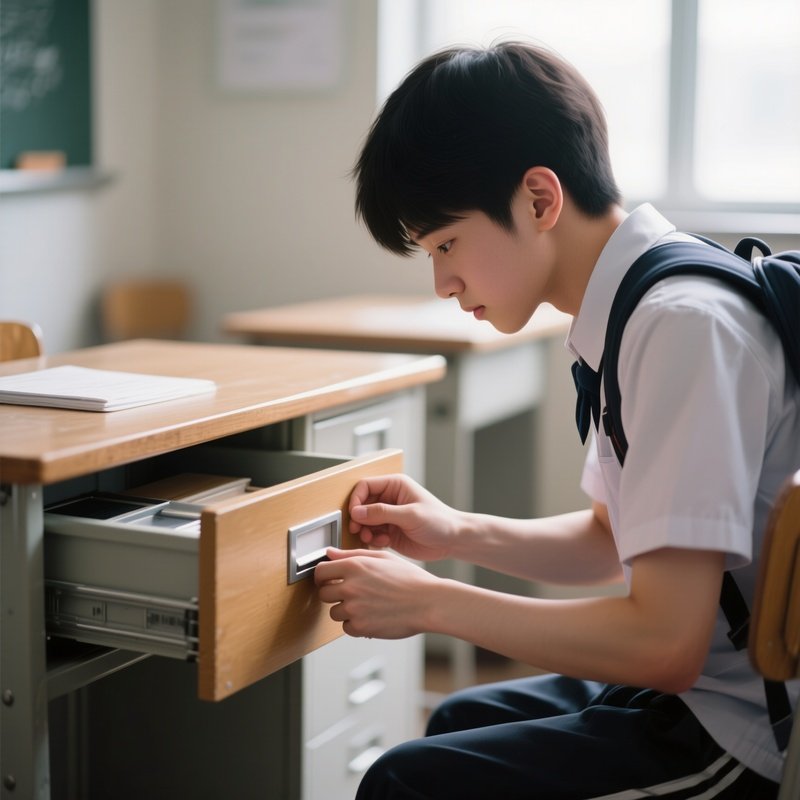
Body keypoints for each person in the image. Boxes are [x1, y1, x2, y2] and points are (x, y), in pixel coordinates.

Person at [313, 41, 800, 799]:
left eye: (446, 244)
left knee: (405, 780)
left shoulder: (680, 326)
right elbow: (612, 541)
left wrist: (430, 601)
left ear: (540, 200)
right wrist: (455, 533)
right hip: (704, 689)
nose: (444, 281)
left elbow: (664, 643)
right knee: (458, 722)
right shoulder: (638, 304)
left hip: (744, 733)